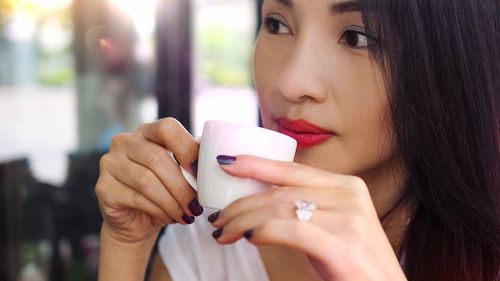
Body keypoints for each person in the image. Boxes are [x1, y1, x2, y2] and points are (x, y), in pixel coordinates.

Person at [95, 0, 499, 280]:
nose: (290, 83)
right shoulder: (215, 242)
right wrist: (125, 246)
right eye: (277, 23)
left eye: (357, 36)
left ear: (447, 61)